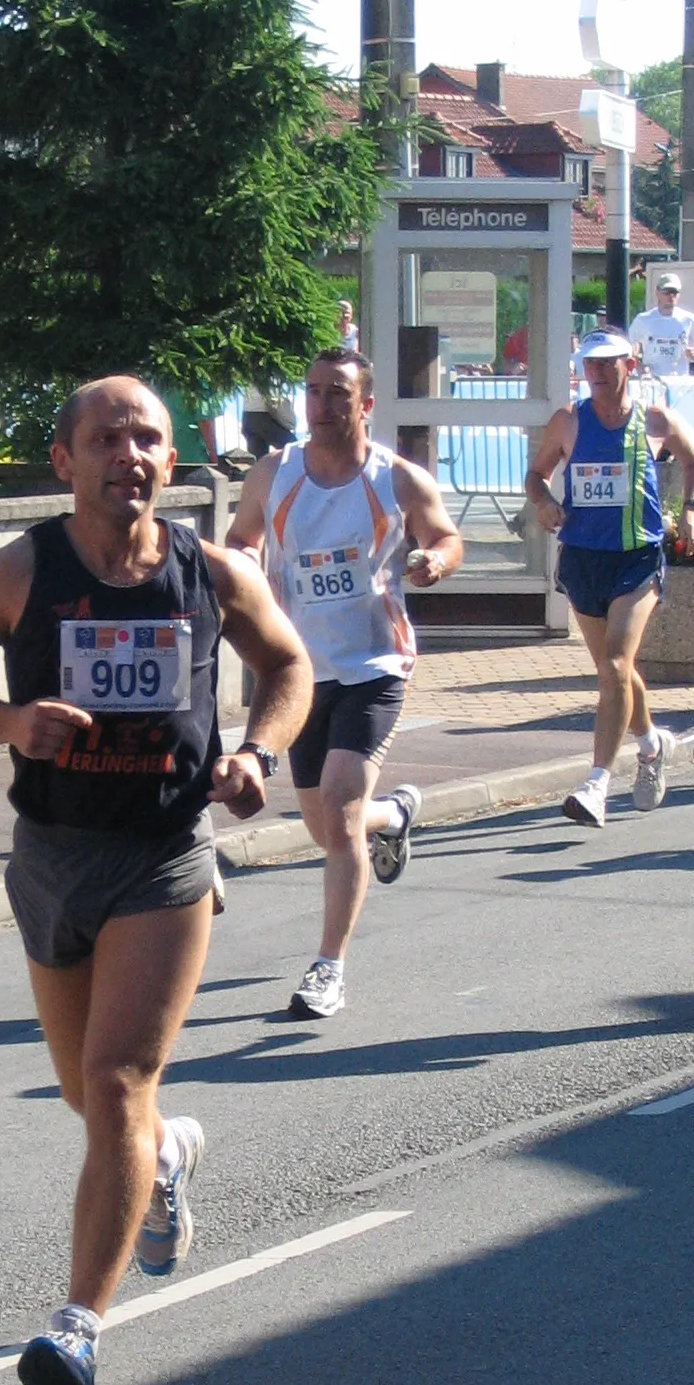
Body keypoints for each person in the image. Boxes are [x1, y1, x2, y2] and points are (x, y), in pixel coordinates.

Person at [0, 376, 310, 1385]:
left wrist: (259, 751)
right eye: (104, 436)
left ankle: (78, 1327)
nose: (127, 452)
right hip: (51, 853)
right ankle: (167, 1154)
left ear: (170, 463)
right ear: (64, 460)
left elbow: (289, 666)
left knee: (120, 1078)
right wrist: (9, 724)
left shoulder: (211, 572)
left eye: (147, 437)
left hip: (165, 851)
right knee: (93, 1102)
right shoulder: (16, 572)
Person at [225, 348, 461, 1018]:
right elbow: (242, 539)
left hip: (374, 665)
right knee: (328, 826)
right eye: (312, 392)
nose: (322, 406)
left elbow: (446, 535)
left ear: (365, 405)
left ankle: (328, 968)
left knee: (341, 804)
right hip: (298, 672)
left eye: (337, 394)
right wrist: (240, 568)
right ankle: (397, 816)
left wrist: (433, 560)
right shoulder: (276, 474)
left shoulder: (396, 481)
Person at [525, 328, 694, 826]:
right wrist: (544, 501)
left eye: (609, 363)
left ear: (630, 364)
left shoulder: (654, 420)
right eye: (591, 365)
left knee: (613, 665)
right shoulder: (568, 421)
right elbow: (536, 474)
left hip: (636, 558)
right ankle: (650, 745)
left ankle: (596, 784)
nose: (599, 373)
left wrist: (691, 508)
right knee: (617, 673)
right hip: (584, 557)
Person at [627, 272, 694, 379]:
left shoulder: (689, 319)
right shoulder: (643, 319)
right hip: (651, 381)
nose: (671, 296)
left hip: (680, 381)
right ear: (657, 292)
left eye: (674, 292)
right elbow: (629, 347)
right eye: (666, 292)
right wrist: (639, 366)